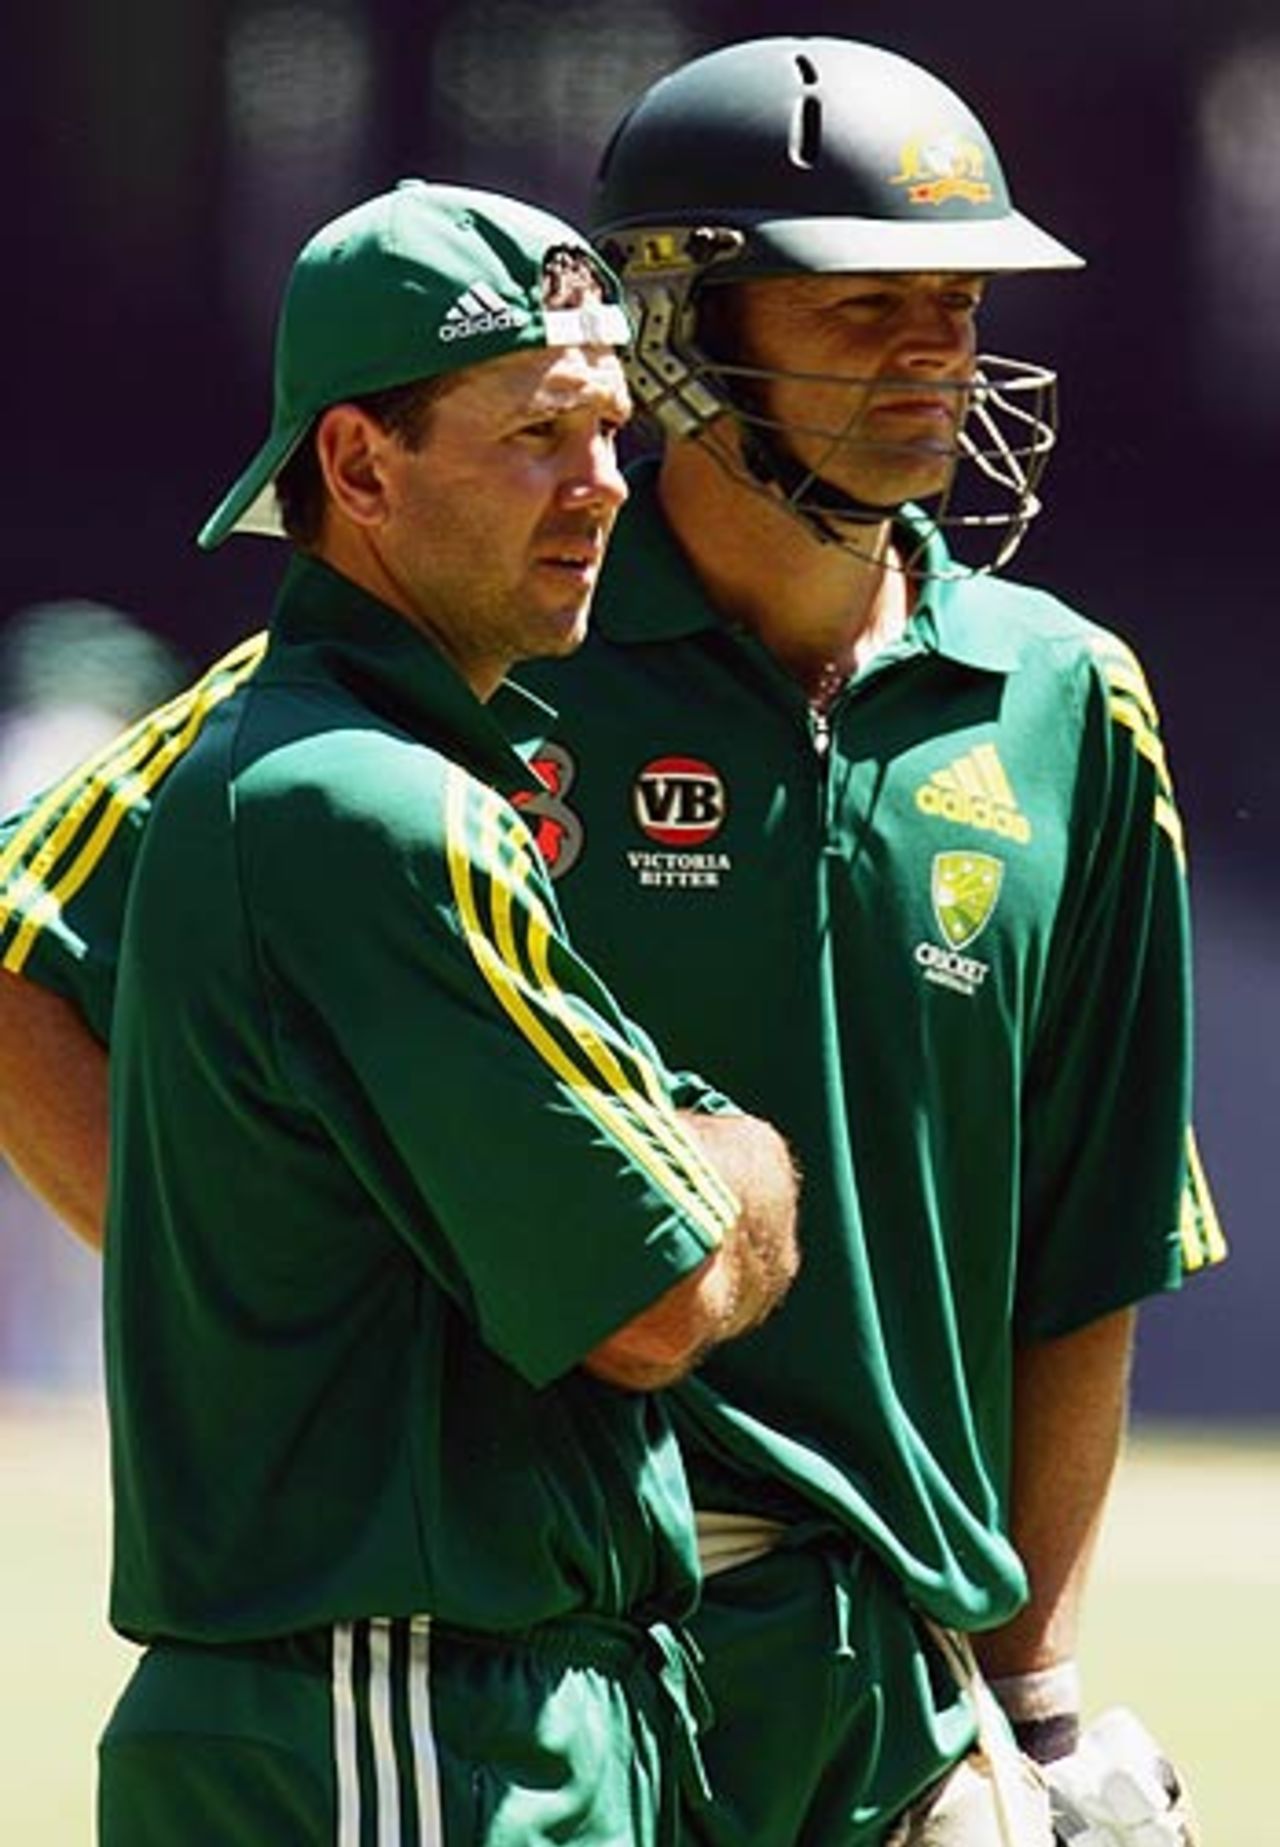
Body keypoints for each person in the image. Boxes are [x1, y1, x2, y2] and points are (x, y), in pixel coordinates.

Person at [0, 37, 1219, 1847]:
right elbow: (20, 945)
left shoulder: (1071, 704)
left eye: (960, 303)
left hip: (895, 1682)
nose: (936, 358)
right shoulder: (458, 657)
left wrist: (1031, 1691)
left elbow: (1091, 1231)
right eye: (862, 303)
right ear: (681, 326)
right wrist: (329, 1317)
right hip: (549, 1629)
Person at [4, 176, 804, 1847]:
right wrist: (741, 1162)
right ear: (360, 468)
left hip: (423, 1704)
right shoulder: (371, 803)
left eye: (609, 432)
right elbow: (661, 1299)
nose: (601, 490)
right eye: (536, 435)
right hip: (403, 1714)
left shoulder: (361, 767)